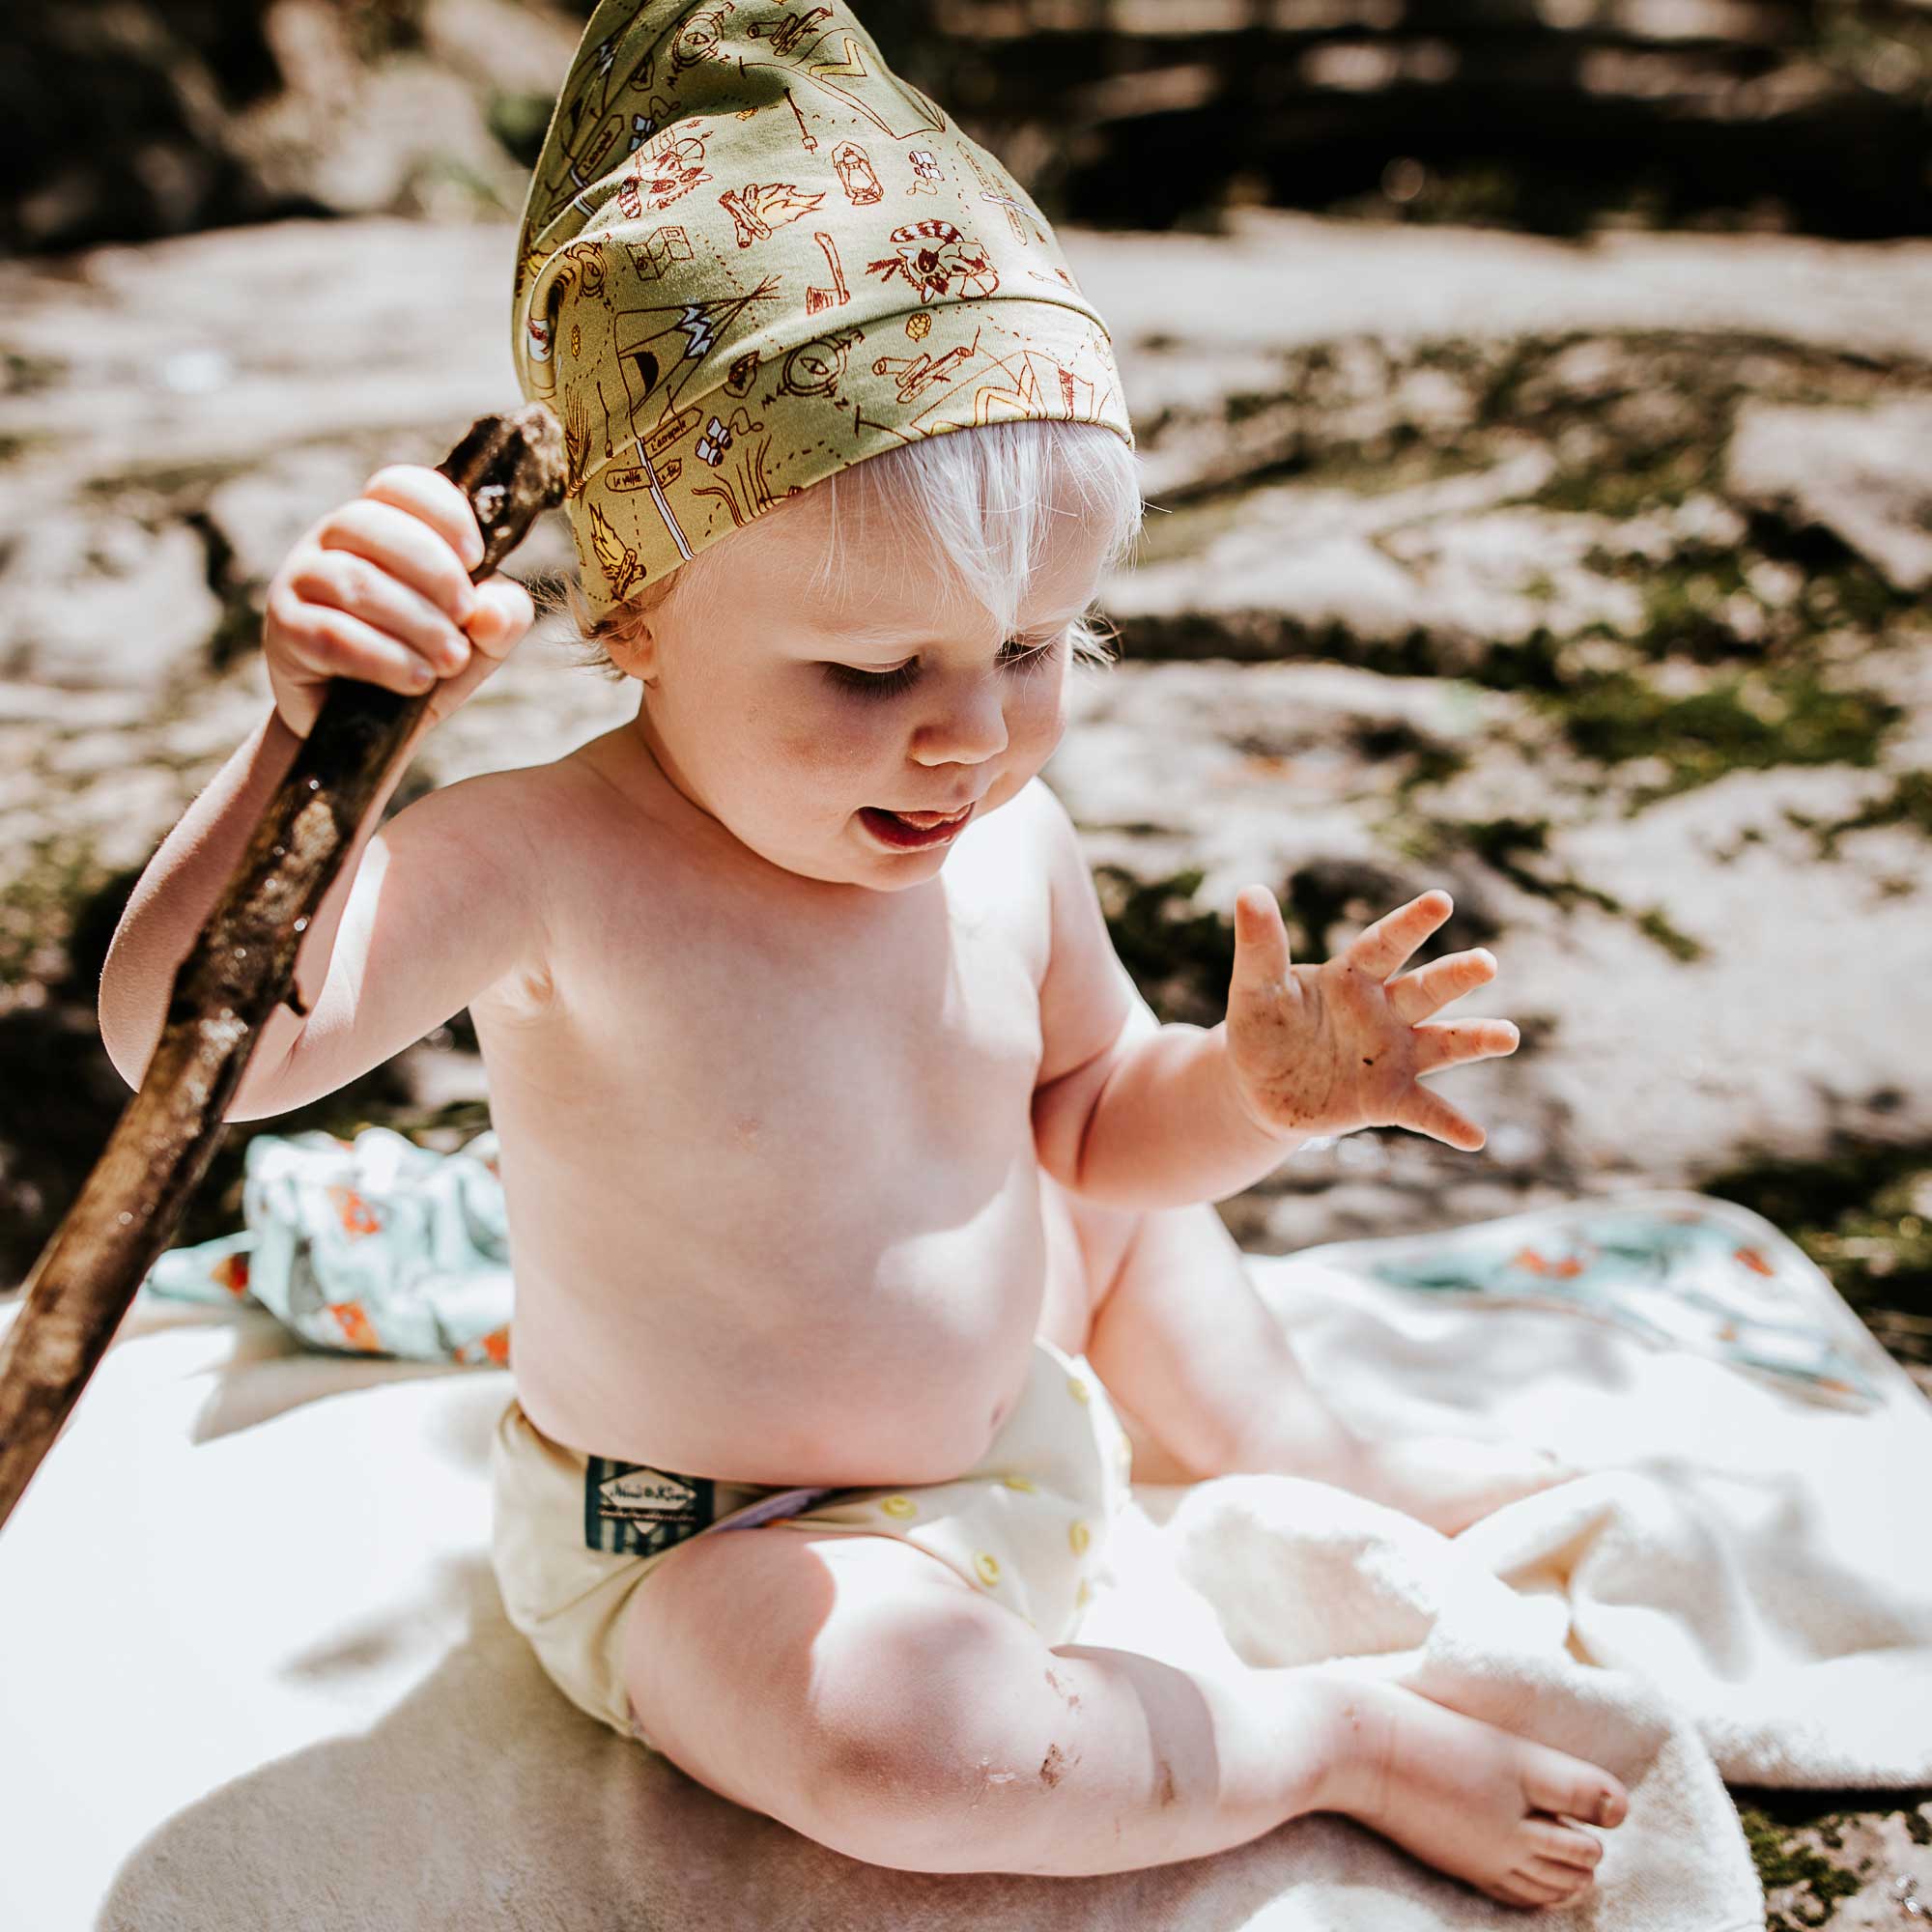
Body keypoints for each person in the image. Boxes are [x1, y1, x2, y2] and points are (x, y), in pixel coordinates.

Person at [96, 0, 1626, 1906]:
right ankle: (1319, 1738)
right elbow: (194, 1053)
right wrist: (302, 747)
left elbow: (1084, 1129)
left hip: (1019, 1423)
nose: (967, 736)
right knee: (890, 1739)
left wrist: (1248, 1096)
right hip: (722, 1541)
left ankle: (1323, 1469)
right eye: (868, 668)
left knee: (1138, 1220)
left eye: (1029, 647)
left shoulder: (1006, 835)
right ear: (636, 615)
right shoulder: (550, 858)